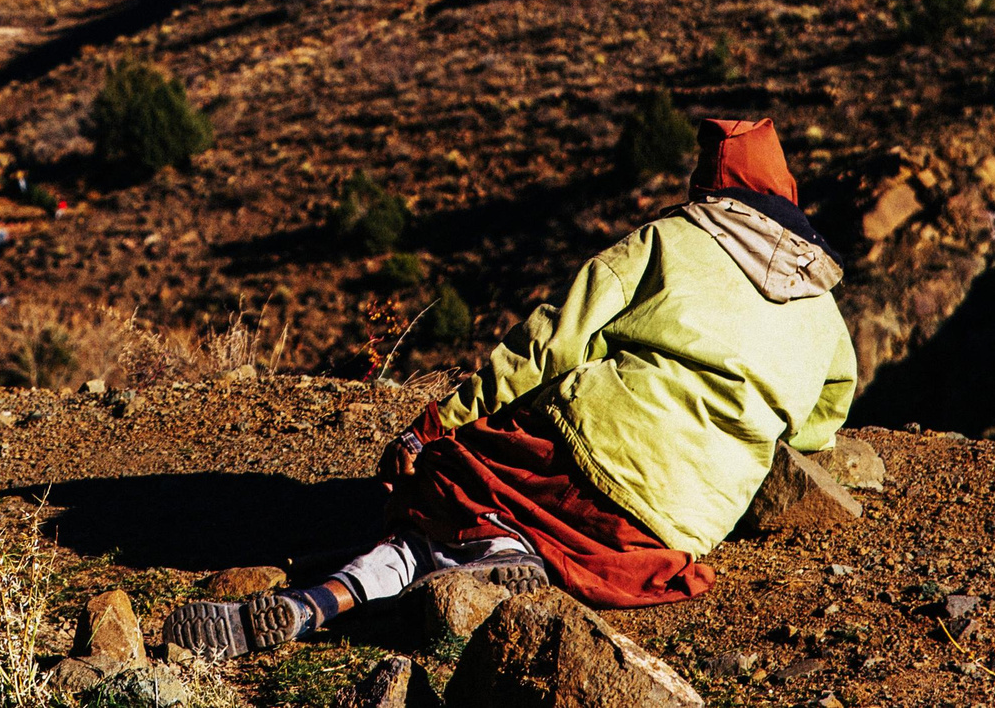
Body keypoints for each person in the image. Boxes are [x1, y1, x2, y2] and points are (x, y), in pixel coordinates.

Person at [161, 116, 856, 658]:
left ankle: (332, 595)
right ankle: (495, 558)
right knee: (503, 525)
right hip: (674, 525)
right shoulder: (825, 310)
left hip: (589, 457)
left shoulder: (670, 238)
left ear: (712, 185)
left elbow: (549, 342)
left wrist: (438, 422)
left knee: (446, 478)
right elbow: (825, 414)